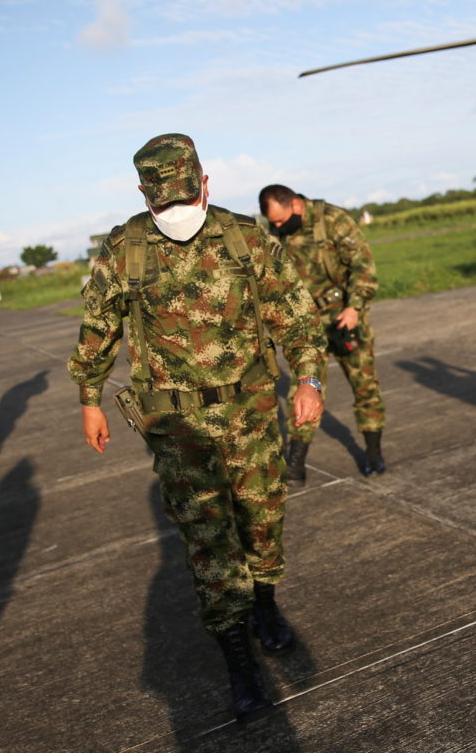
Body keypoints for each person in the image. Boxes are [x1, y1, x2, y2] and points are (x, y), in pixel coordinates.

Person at [69, 134, 326, 723]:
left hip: (251, 414)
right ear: (144, 196)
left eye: (184, 197)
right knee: (210, 543)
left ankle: (265, 603)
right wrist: (89, 398)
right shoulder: (125, 249)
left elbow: (295, 314)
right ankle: (238, 659)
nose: (177, 211)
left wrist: (309, 379)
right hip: (178, 427)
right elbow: (98, 326)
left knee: (262, 521)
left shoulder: (245, 237)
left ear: (205, 184)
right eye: (165, 202)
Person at [258, 185, 387, 482]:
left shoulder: (332, 220)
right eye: (273, 223)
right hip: (308, 322)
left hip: (345, 317)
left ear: (296, 205)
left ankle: (373, 451)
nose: (278, 227)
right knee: (304, 388)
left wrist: (354, 308)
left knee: (364, 384)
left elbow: (364, 266)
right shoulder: (277, 233)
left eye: (281, 220)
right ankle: (296, 461)